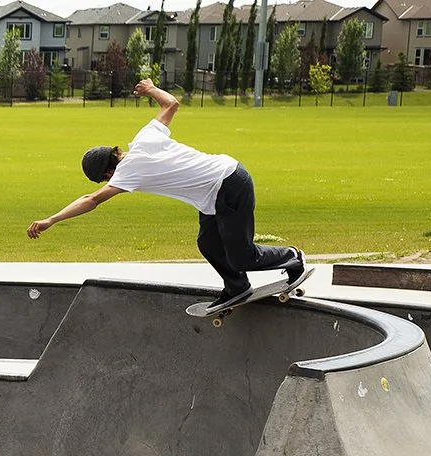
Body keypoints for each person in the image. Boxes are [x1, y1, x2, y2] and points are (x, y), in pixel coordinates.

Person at [26, 77, 305, 314]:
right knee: (208, 243)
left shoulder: (128, 171)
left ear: (108, 173)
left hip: (228, 184)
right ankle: (237, 286)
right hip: (217, 185)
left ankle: (292, 256)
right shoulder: (144, 138)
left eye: (105, 179)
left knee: (242, 256)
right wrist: (151, 89)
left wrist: (52, 219)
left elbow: (92, 200)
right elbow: (171, 104)